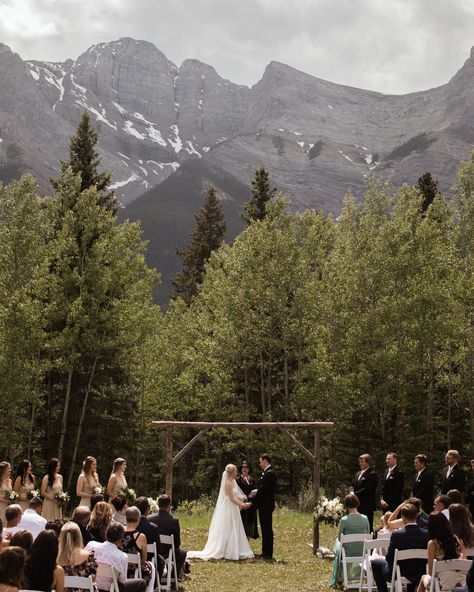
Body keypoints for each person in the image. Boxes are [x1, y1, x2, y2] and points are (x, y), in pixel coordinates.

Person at [187, 464, 254, 560]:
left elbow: (234, 495)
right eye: (235, 471)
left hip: (233, 507)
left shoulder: (233, 481)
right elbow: (230, 498)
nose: (237, 473)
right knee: (228, 527)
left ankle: (235, 548)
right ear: (231, 473)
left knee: (234, 527)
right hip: (229, 507)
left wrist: (242, 497)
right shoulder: (228, 483)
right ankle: (225, 549)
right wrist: (242, 505)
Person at [371, 503, 429, 592]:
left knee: (375, 563)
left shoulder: (397, 535)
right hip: (420, 572)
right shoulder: (426, 534)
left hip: (400, 571)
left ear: (403, 517)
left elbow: (390, 558)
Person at [86, 521, 146, 592]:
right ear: (120, 539)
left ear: (105, 534)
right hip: (110, 589)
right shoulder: (122, 557)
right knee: (141, 583)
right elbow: (122, 580)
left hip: (90, 586)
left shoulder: (91, 545)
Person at [417, 512, 465, 592]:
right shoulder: (457, 540)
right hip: (461, 584)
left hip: (441, 586)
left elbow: (431, 573)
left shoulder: (433, 544)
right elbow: (464, 562)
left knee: (423, 577)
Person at [330, 493, 370, 586]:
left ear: (346, 505)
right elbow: (367, 534)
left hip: (348, 551)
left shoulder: (344, 520)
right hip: (363, 551)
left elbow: (340, 538)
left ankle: (340, 577)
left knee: (337, 544)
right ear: (357, 503)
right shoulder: (365, 518)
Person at [149, 494, 187, 579]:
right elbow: (177, 543)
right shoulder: (174, 521)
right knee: (183, 554)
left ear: (158, 505)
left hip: (153, 552)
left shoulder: (149, 519)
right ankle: (173, 576)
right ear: (169, 506)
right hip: (167, 552)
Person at [249, 454, 277, 559]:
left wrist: (253, 502)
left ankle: (268, 553)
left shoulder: (270, 474)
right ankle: (265, 552)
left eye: (260, 462)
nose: (260, 464)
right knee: (265, 529)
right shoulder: (267, 473)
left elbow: (263, 491)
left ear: (265, 461)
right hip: (265, 505)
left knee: (267, 529)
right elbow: (263, 488)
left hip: (266, 506)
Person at [121, 507, 154, 592]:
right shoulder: (141, 536)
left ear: (126, 518)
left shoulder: (118, 531)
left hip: (120, 569)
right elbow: (144, 559)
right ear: (138, 519)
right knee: (151, 567)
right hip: (134, 571)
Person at [57, 521, 98, 587]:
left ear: (62, 538)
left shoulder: (57, 558)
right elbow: (93, 579)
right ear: (79, 536)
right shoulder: (89, 557)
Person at [134, 497, 164, 577]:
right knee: (161, 559)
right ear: (147, 510)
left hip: (133, 561)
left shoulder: (131, 527)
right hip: (150, 561)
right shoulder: (154, 528)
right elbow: (158, 549)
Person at [352, 453, 378, 531]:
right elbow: (351, 485)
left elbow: (367, 489)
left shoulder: (372, 474)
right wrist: (351, 491)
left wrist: (354, 495)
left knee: (367, 527)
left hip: (366, 505)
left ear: (368, 462)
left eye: (362, 462)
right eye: (360, 462)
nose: (360, 463)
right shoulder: (357, 474)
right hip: (356, 505)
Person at [237, 461, 259, 539]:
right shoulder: (238, 480)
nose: (244, 469)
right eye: (243, 467)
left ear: (249, 469)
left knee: (250, 522)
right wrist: (245, 496)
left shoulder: (252, 480)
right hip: (242, 505)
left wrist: (254, 494)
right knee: (243, 522)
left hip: (251, 504)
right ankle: (243, 540)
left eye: (246, 467)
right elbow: (236, 492)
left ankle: (249, 537)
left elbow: (256, 490)